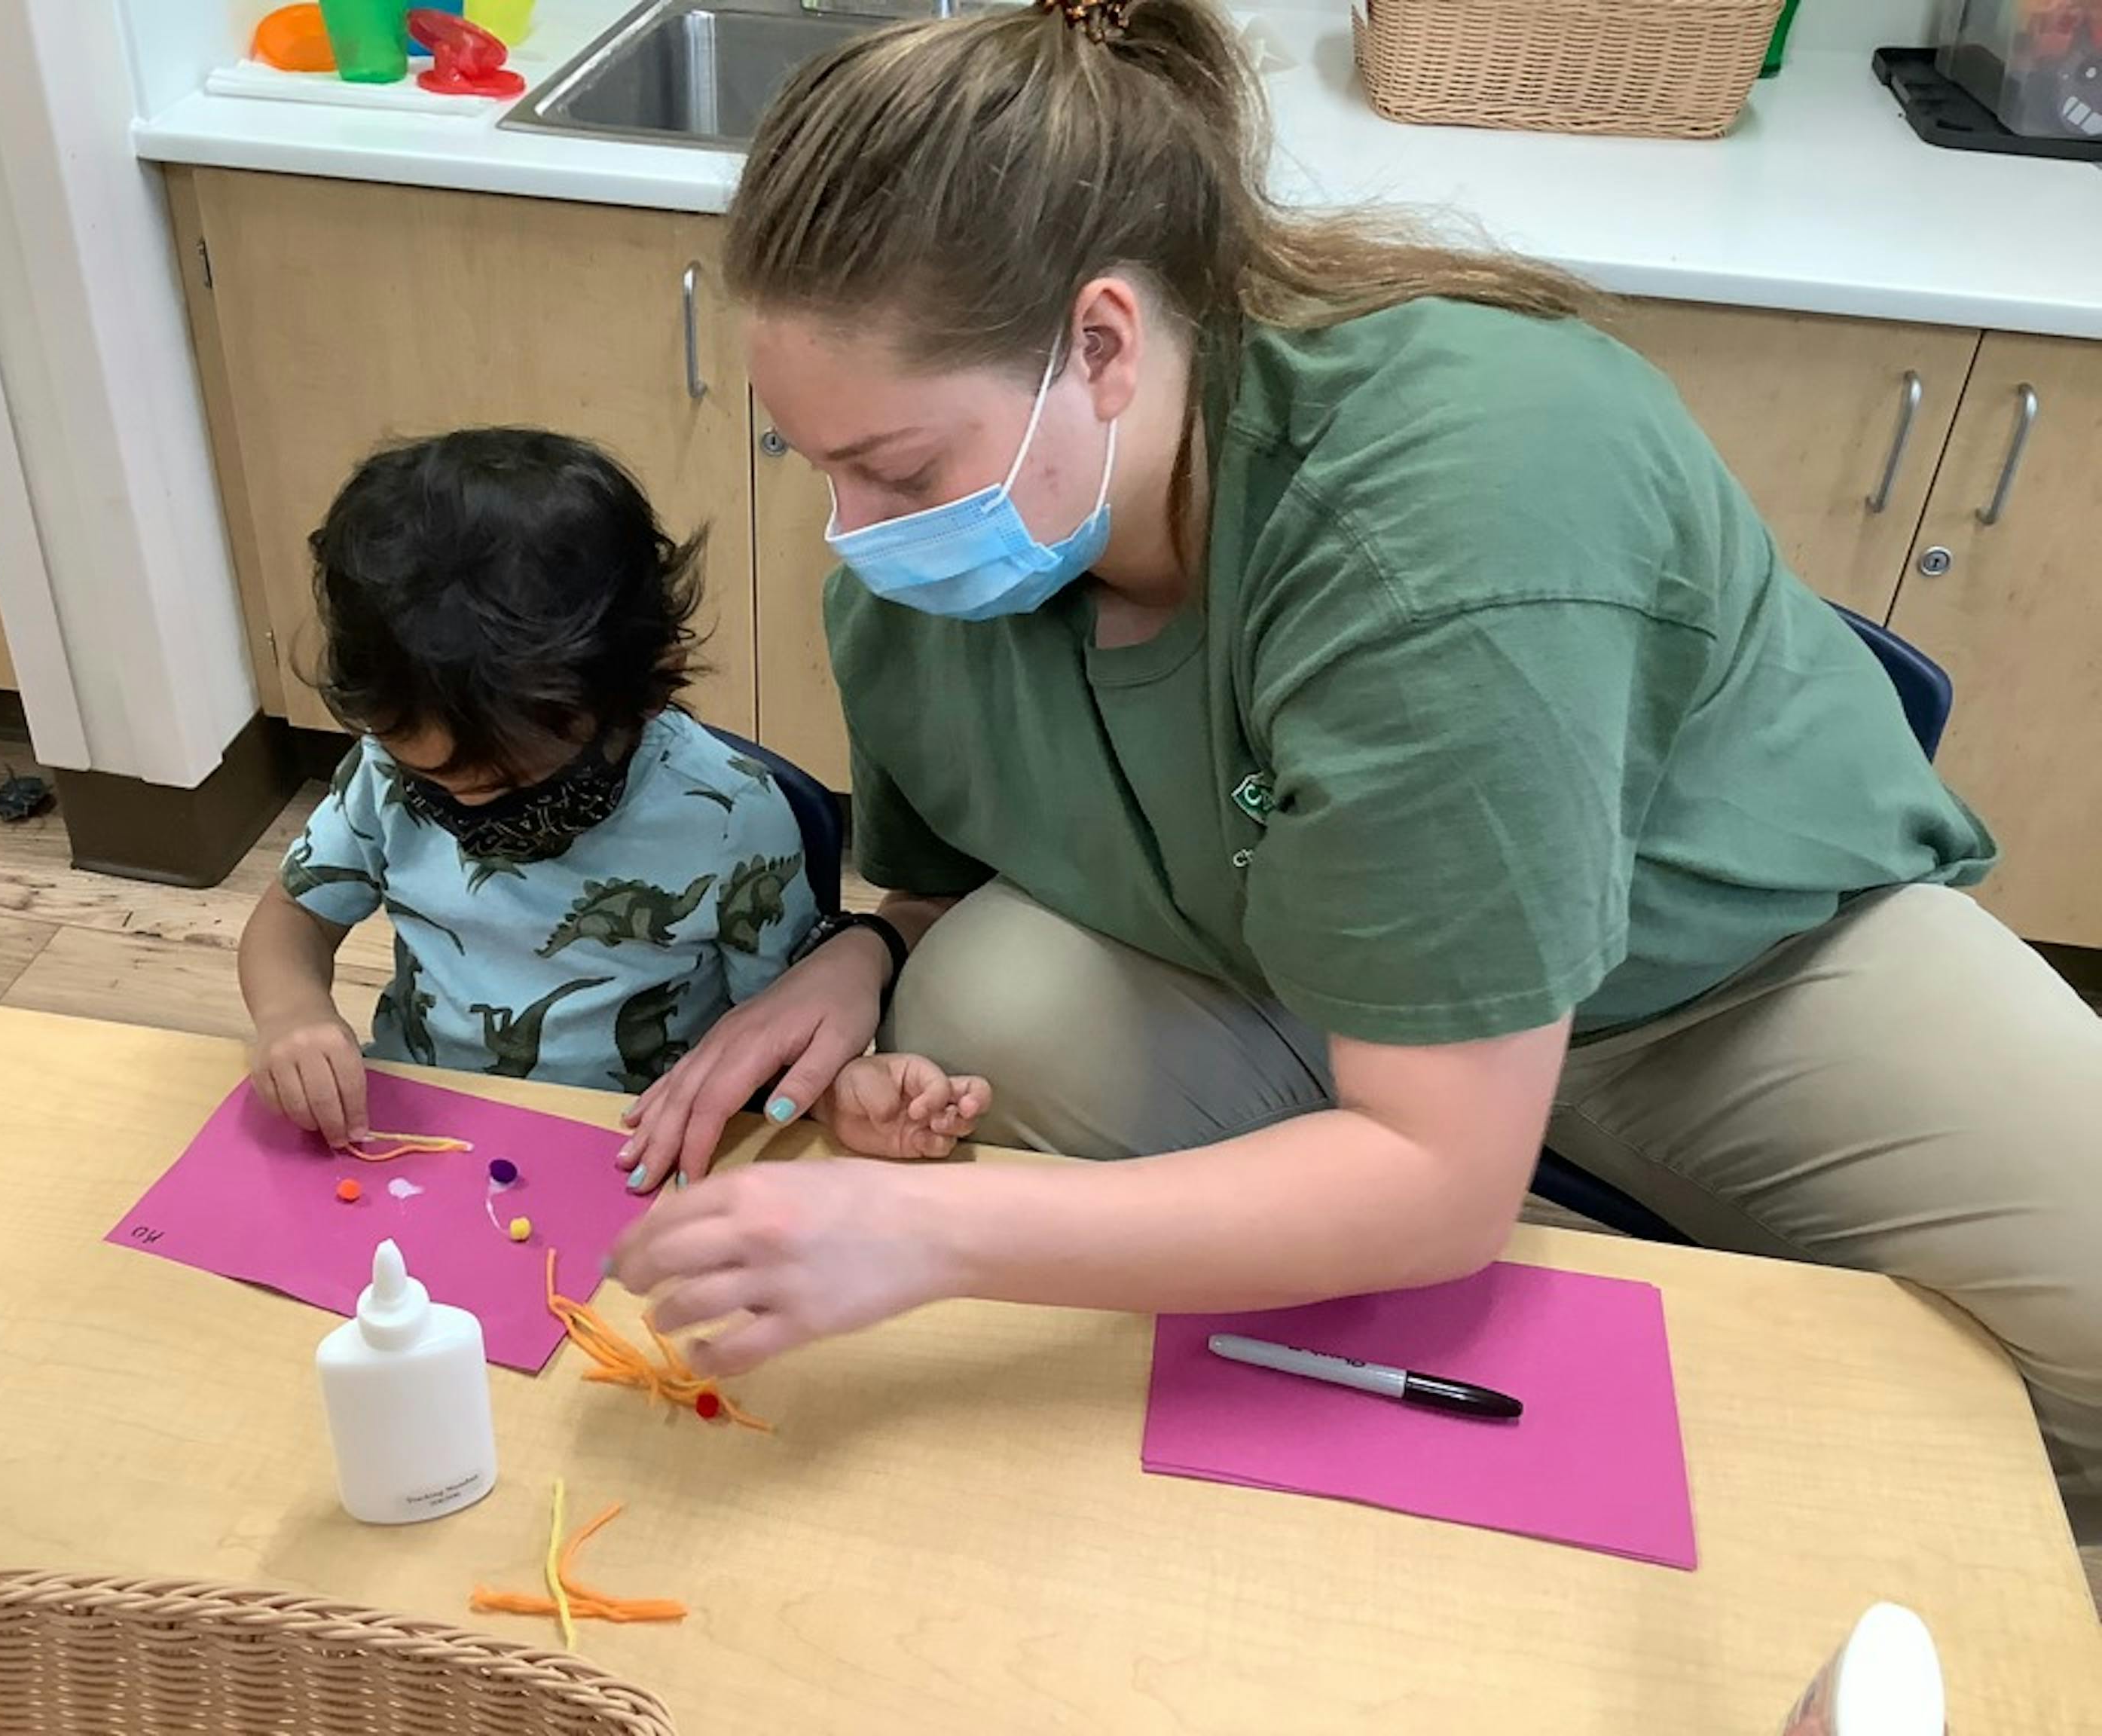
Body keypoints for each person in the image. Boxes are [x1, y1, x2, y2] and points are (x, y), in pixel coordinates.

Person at [606, 0, 2102, 1538]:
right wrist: (866, 952)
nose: (859, 535)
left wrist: (932, 1227)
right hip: (1295, 961)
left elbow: (1438, 1179)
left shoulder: (1448, 518)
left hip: (1719, 967)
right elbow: (954, 882)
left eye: (900, 469)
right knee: (986, 1001)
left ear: (1101, 346)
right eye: (820, 463)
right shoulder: (926, 585)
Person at [237, 427, 990, 1160]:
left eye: (512, 785)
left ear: (647, 686)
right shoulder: (380, 772)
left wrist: (840, 1090)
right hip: (419, 1120)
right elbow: (292, 920)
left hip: (636, 1141)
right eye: (430, 780)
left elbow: (780, 1030)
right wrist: (292, 1013)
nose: (466, 811)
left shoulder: (731, 819)